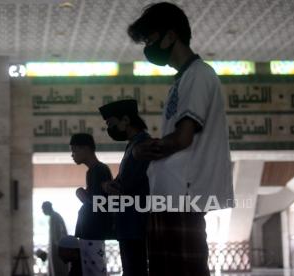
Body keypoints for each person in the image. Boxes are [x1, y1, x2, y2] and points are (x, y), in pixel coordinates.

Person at [127, 2, 234, 276]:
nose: (148, 47)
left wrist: (144, 150)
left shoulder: (199, 74)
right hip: (170, 196)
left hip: (185, 196)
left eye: (151, 39)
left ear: (171, 35)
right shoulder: (182, 80)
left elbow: (183, 138)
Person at [98, 99, 150, 276]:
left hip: (136, 224)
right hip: (129, 223)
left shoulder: (141, 146)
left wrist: (108, 186)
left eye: (111, 123)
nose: (110, 128)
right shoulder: (133, 145)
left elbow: (127, 184)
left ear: (126, 120)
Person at [70, 133, 113, 276]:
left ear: (85, 149)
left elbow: (98, 203)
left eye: (74, 150)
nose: (72, 155)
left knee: (95, 271)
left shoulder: (99, 170)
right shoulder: (93, 171)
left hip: (94, 230)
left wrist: (80, 193)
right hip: (90, 230)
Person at [42, 201, 69, 276]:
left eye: (43, 209)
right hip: (56, 248)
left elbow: (59, 234)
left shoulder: (55, 217)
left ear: (47, 208)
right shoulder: (54, 217)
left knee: (59, 270)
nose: (43, 211)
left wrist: (58, 247)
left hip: (58, 249)